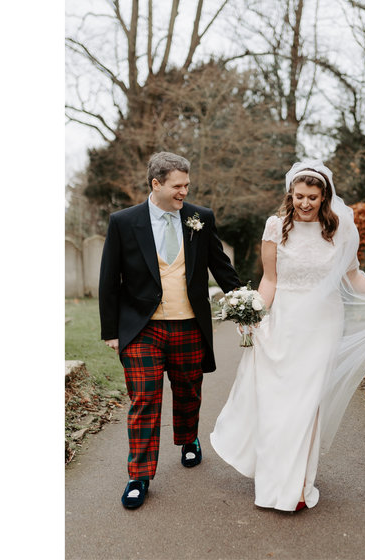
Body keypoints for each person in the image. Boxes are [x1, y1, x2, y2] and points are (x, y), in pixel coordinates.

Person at [210, 159, 365, 512]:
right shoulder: (275, 227)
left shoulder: (342, 231)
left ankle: (299, 486)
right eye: (299, 196)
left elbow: (355, 279)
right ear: (291, 194)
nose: (305, 203)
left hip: (322, 325)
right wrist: (254, 311)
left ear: (325, 197)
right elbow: (270, 279)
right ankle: (274, 481)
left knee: (306, 406)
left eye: (313, 197)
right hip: (284, 324)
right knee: (278, 405)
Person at [99, 151, 243, 510]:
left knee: (188, 392)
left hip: (189, 326)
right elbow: (108, 279)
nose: (184, 192)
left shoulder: (200, 218)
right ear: (156, 184)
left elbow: (221, 268)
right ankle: (139, 476)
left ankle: (188, 438)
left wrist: (245, 304)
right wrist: (110, 331)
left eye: (187, 186)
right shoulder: (124, 221)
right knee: (145, 400)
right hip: (141, 329)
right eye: (178, 186)